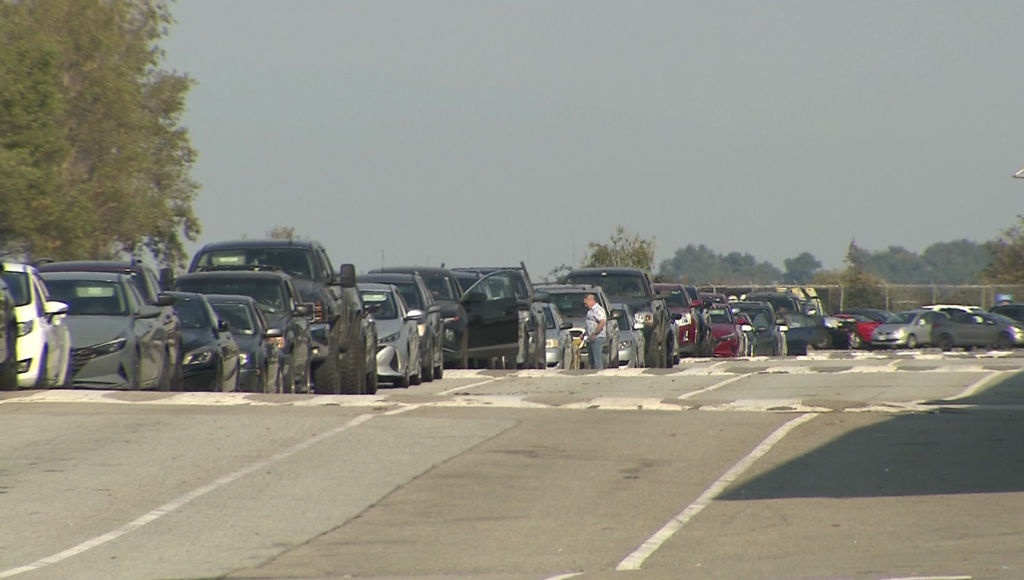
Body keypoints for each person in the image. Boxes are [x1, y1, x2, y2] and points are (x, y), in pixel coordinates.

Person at [583, 293, 607, 370]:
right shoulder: (590, 311)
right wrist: (584, 334)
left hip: (598, 337)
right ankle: (593, 373)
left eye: (586, 303)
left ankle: (599, 374)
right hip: (590, 337)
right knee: (591, 360)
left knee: (597, 359)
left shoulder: (598, 310)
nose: (585, 305)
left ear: (591, 301)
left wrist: (595, 333)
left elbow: (602, 322)